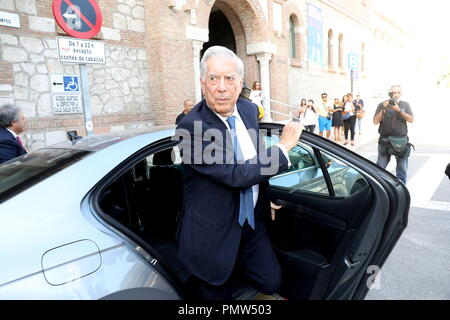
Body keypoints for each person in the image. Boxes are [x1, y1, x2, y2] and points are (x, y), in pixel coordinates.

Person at [174, 45, 303, 300]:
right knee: (217, 292)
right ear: (202, 83)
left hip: (252, 222)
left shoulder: (248, 110)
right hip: (212, 233)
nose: (221, 87)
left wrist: (263, 199)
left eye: (229, 78)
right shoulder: (190, 129)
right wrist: (284, 146)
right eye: (213, 78)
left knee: (271, 281)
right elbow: (236, 174)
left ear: (240, 82)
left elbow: (252, 160)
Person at [373, 85, 414, 184]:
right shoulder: (382, 104)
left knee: (402, 171)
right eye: (393, 93)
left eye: (398, 93)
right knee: (379, 169)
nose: (395, 95)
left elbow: (411, 119)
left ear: (401, 94)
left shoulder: (405, 105)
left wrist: (399, 110)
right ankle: (379, 188)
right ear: (389, 94)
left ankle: (401, 191)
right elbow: (375, 121)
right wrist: (383, 109)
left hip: (400, 142)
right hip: (384, 141)